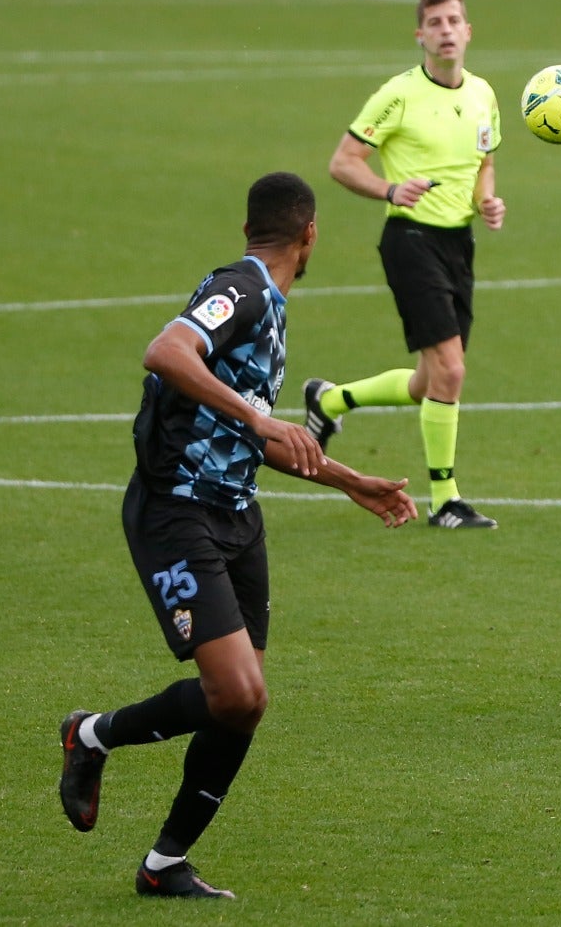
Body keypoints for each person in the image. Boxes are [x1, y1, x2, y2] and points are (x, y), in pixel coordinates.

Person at [57, 172, 416, 900]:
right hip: (175, 513)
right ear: (310, 233)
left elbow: (264, 436)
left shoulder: (271, 307)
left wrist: (354, 481)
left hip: (236, 517)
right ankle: (89, 736)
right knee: (237, 687)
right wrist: (257, 417)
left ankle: (163, 861)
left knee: (244, 702)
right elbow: (166, 350)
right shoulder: (243, 289)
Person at [303, 0, 505, 530]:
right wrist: (390, 191)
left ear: (467, 31)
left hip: (458, 243)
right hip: (409, 240)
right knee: (454, 370)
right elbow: (343, 162)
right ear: (421, 35)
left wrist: (486, 199)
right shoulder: (397, 95)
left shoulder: (483, 94)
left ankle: (330, 401)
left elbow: (484, 161)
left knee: (429, 381)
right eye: (434, 22)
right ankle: (447, 501)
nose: (445, 29)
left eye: (453, 20)